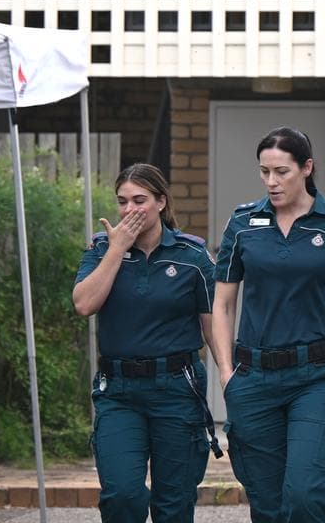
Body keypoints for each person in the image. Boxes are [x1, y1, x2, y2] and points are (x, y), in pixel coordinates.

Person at [212, 127, 325, 523]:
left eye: (281, 172)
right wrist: (225, 374)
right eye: (264, 172)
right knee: (267, 506)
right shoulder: (243, 224)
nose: (271, 182)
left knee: (304, 495)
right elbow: (222, 304)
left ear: (307, 168)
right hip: (253, 379)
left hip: (316, 377)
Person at [72, 163, 220, 523]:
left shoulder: (192, 256)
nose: (128, 209)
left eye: (139, 200)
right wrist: (115, 249)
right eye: (122, 201)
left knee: (174, 505)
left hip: (177, 390)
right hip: (119, 392)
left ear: (160, 202)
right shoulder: (101, 248)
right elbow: (84, 304)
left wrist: (232, 380)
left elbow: (215, 326)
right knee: (122, 495)